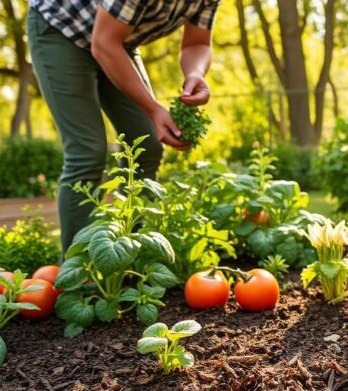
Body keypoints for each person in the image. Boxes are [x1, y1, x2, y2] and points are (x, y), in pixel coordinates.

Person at [26, 0, 219, 251]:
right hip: (61, 27)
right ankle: (79, 274)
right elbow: (103, 43)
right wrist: (153, 109)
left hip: (117, 40)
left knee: (146, 144)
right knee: (87, 151)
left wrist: (195, 74)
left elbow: (198, 43)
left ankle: (132, 255)